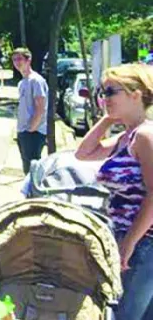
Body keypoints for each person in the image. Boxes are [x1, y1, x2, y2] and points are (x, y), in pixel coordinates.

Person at [74, 64, 153, 319]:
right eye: (102, 92)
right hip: (128, 239)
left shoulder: (145, 136)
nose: (103, 98)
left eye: (110, 92)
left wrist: (128, 244)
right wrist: (108, 118)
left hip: (144, 243)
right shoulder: (126, 137)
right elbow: (83, 153)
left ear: (136, 94)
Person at [13, 47, 48, 174]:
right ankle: (29, 191)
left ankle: (34, 192)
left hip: (34, 131)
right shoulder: (22, 82)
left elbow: (40, 107)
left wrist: (32, 128)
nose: (17, 62)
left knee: (33, 167)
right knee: (26, 166)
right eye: (14, 60)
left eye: (20, 59)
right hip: (23, 129)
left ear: (29, 60)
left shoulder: (36, 80)